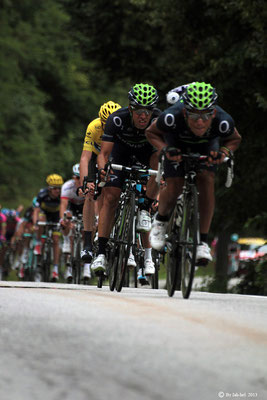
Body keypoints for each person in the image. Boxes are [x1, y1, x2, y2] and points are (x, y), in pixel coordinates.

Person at [146, 81, 242, 264]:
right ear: (184, 111)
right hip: (176, 143)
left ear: (213, 113)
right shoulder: (171, 117)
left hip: (207, 146)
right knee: (174, 186)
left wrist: (224, 153)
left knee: (206, 180)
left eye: (206, 116)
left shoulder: (223, 121)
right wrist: (164, 149)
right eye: (193, 115)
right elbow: (151, 133)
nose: (200, 121)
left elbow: (234, 139)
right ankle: (161, 221)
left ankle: (202, 242)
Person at [91, 83, 161, 276]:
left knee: (159, 161)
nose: (143, 116)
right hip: (120, 155)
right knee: (111, 197)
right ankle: (102, 254)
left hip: (147, 156)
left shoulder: (158, 120)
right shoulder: (117, 119)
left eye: (147, 111)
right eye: (138, 110)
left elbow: (165, 150)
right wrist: (103, 169)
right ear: (130, 108)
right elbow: (103, 153)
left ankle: (145, 208)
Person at [79, 101, 122, 265]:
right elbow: (85, 157)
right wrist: (85, 182)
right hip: (96, 159)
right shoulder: (94, 127)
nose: (107, 127)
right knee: (89, 194)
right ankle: (88, 244)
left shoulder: (122, 125)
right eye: (105, 124)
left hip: (115, 158)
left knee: (112, 192)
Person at [60, 163, 93, 281]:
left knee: (87, 230)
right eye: (78, 178)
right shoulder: (67, 187)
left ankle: (87, 267)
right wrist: (63, 220)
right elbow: (63, 206)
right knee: (66, 219)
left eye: (83, 177)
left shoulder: (89, 185)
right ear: (74, 178)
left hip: (85, 207)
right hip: (72, 208)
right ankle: (66, 243)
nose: (80, 180)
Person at [33, 174, 64, 281]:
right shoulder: (42, 194)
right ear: (49, 188)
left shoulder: (62, 196)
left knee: (56, 240)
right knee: (41, 220)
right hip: (44, 214)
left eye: (59, 188)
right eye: (55, 188)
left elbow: (64, 210)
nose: (57, 191)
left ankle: (55, 269)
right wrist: (35, 223)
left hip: (56, 216)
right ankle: (38, 242)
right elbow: (36, 210)